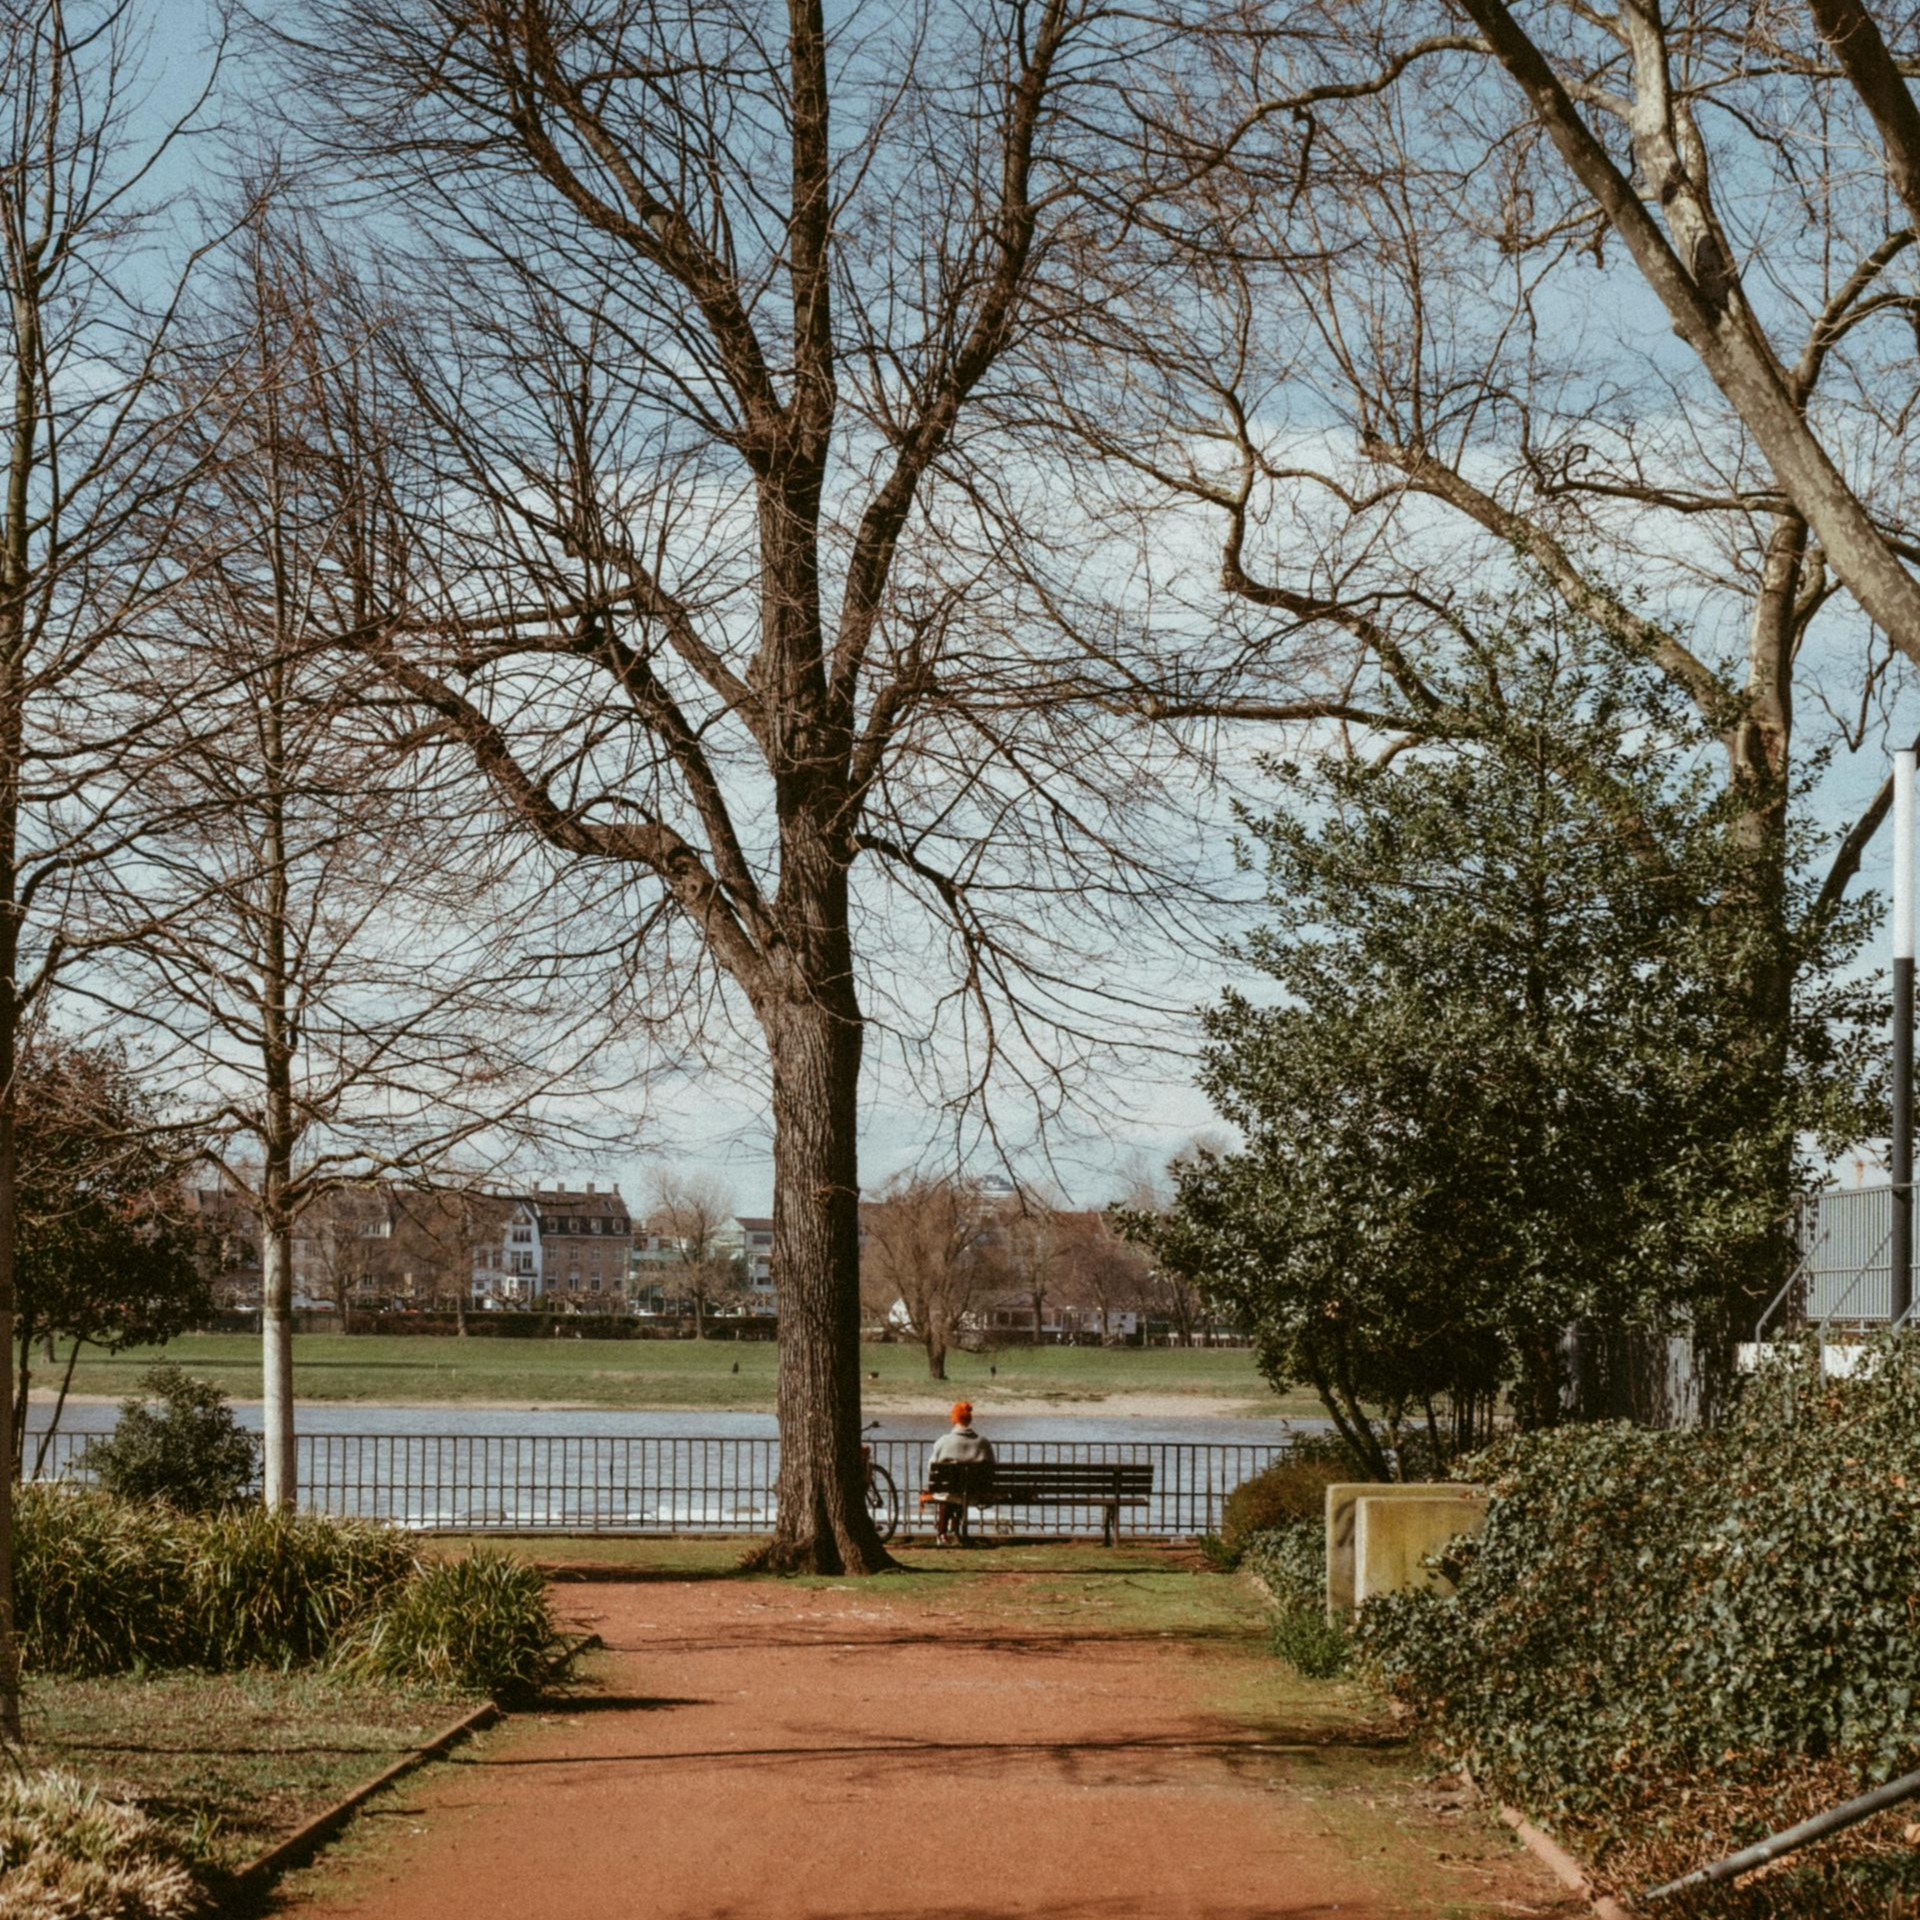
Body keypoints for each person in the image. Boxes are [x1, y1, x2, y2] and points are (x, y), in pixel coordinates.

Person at [926, 1401, 994, 1545]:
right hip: (975, 1492)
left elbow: (930, 1467)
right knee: (961, 1487)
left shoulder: (943, 1442)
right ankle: (956, 1530)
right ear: (970, 1419)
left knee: (949, 1491)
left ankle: (942, 1533)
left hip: (949, 1491)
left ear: (954, 1418)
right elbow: (991, 1468)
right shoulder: (983, 1442)